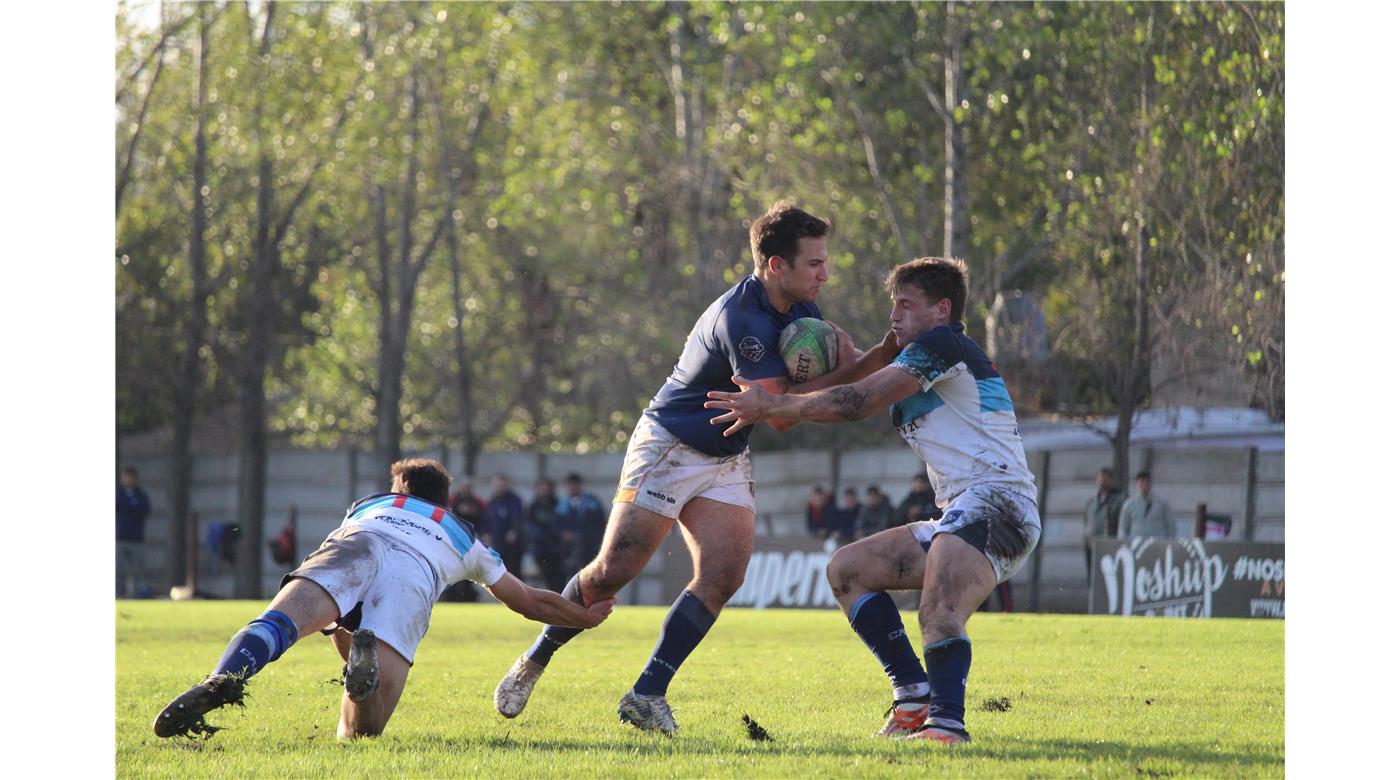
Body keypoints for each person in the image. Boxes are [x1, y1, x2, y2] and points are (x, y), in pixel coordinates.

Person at [493, 201, 896, 734]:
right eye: (815, 263)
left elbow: (820, 382)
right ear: (776, 266)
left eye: (825, 261)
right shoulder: (743, 320)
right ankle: (537, 657)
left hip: (726, 453)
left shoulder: (804, 315)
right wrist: (866, 364)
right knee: (614, 571)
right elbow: (779, 415)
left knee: (724, 576)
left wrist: (883, 353)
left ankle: (647, 692)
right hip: (671, 445)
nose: (825, 272)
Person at [705, 256, 1041, 745]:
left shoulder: (943, 345)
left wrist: (771, 404)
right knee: (847, 570)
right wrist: (858, 358)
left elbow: (856, 402)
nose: (894, 314)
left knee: (939, 610)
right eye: (893, 304)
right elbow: (861, 388)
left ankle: (946, 727)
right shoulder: (925, 355)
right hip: (965, 512)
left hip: (998, 505)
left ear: (941, 309)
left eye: (906, 304)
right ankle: (913, 695)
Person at [151, 458, 614, 740]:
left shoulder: (369, 505)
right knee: (363, 731)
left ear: (400, 491)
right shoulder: (463, 535)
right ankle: (360, 674)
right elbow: (529, 600)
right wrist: (583, 617)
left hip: (357, 545)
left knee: (279, 622)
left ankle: (221, 679)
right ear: (444, 500)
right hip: (413, 577)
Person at [557, 473, 607, 574]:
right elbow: (556, 524)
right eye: (569, 485)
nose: (572, 488)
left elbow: (599, 523)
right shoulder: (562, 505)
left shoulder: (592, 503)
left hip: (588, 546)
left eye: (574, 484)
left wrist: (583, 535)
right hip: (567, 548)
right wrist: (563, 533)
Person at [116, 466, 152, 598]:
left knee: (137, 570)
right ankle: (118, 594)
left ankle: (136, 594)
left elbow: (144, 510)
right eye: (126, 477)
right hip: (120, 538)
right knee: (118, 570)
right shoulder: (118, 495)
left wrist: (129, 509)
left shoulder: (141, 496)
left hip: (137, 539)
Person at [527, 478, 569, 592]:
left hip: (557, 548)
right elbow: (529, 526)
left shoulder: (559, 505)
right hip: (541, 548)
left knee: (560, 578)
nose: (545, 491)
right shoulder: (534, 507)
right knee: (548, 578)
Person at [1084, 468, 1124, 574]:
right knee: (1092, 574)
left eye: (1106, 478)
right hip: (1091, 544)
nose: (1103, 481)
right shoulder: (1092, 501)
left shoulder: (1118, 500)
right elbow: (1087, 520)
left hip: (1108, 545)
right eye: (1101, 478)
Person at [485, 474, 527, 575]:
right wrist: (486, 533)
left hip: (514, 545)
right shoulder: (492, 502)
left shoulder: (515, 500)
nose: (500, 488)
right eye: (498, 485)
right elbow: (486, 520)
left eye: (502, 485)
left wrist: (515, 531)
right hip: (497, 543)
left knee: (514, 572)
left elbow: (519, 518)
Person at [1117, 471, 1175, 538]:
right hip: (1135, 543)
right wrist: (1124, 543)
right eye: (1141, 482)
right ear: (1137, 483)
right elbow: (1122, 528)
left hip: (1157, 543)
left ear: (1151, 483)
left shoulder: (1162, 503)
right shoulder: (1129, 504)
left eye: (1147, 481)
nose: (1145, 484)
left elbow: (1171, 526)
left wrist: (1167, 542)